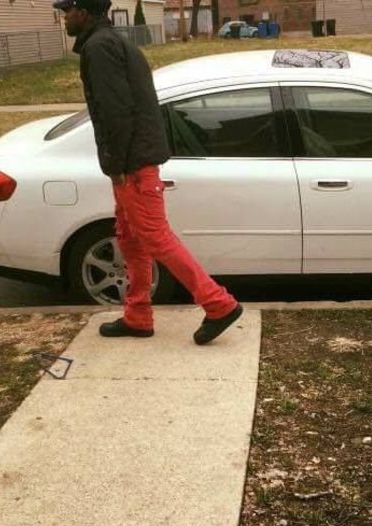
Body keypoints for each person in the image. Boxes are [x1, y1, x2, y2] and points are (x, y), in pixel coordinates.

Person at [53, 0, 242, 345]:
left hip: (132, 165)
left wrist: (117, 165)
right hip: (134, 160)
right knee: (130, 238)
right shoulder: (112, 42)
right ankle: (138, 315)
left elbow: (115, 112)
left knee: (156, 237)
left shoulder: (99, 48)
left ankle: (219, 304)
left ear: (84, 11)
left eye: (67, 11)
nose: (64, 17)